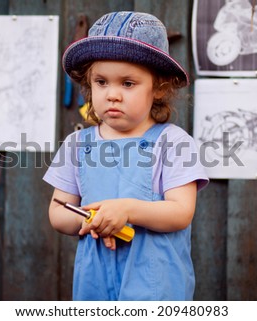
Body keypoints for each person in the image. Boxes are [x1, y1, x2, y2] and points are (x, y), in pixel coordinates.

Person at [43, 11, 208, 300]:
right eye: (101, 82)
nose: (112, 95)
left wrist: (127, 211)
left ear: (158, 87)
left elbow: (181, 212)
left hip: (156, 288)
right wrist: (92, 219)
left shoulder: (172, 142)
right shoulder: (77, 144)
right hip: (93, 285)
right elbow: (58, 212)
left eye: (128, 84)